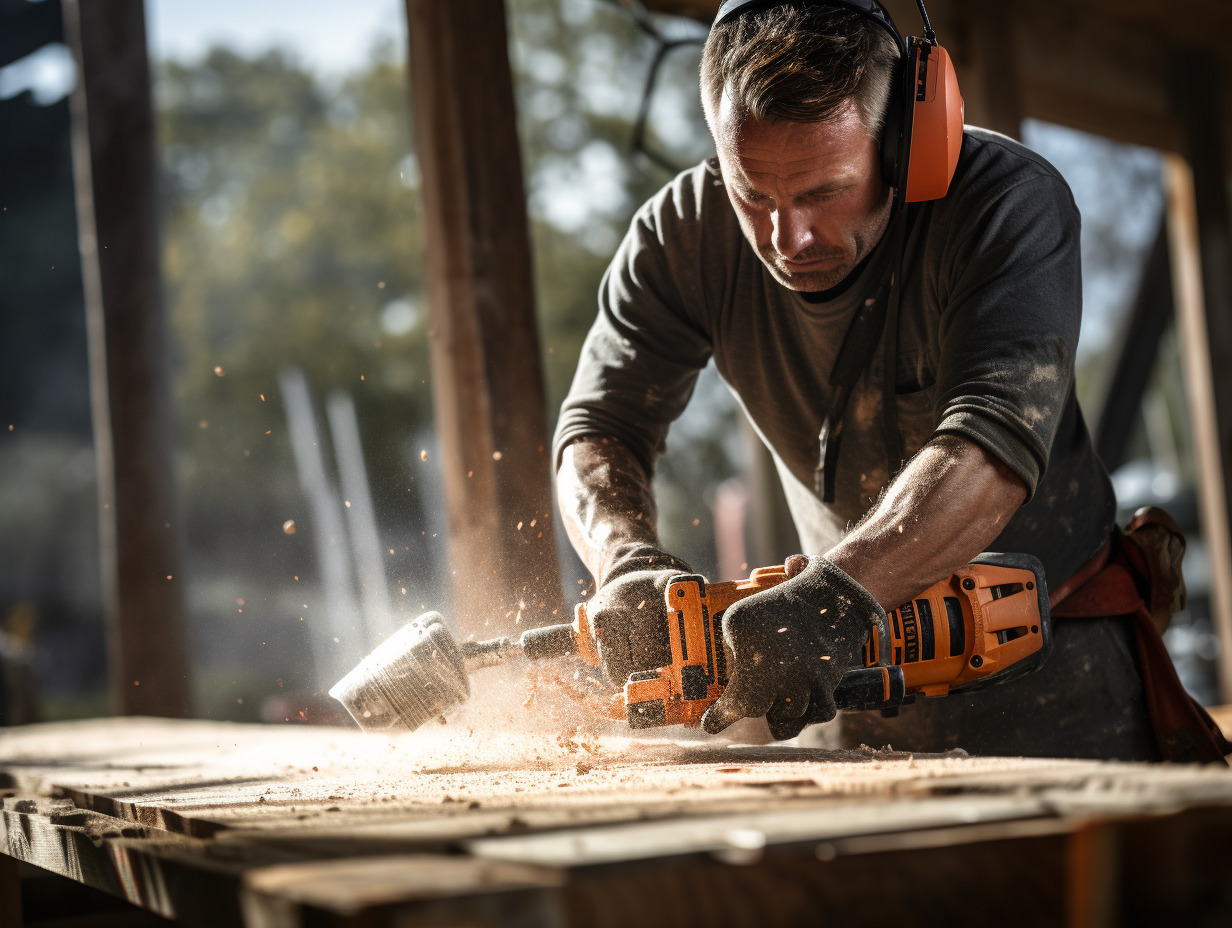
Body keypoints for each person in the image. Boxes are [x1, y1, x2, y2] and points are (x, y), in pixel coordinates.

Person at [551, 0, 1225, 761]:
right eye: (754, 195)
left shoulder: (1004, 203)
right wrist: (625, 558)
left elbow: (990, 446)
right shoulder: (683, 239)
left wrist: (836, 594)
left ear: (910, 142)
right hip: (850, 721)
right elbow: (599, 428)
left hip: (1066, 705)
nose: (787, 238)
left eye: (821, 192)